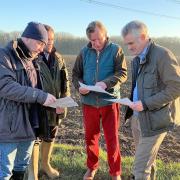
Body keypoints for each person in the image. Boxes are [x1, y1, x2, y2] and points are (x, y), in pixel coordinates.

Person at [121, 20, 180, 180]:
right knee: (147, 160)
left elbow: (176, 87)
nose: (129, 48)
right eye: (126, 44)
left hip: (156, 119)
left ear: (143, 36)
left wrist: (146, 104)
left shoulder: (163, 55)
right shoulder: (136, 59)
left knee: (139, 168)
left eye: (131, 43)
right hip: (137, 117)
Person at [0, 22, 57, 180]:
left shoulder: (33, 60)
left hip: (30, 126)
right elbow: (6, 87)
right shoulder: (4, 55)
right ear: (27, 38)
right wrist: (40, 96)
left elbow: (38, 87)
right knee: (4, 171)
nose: (41, 48)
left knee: (21, 168)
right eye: (40, 43)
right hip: (9, 127)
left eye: (44, 45)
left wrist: (52, 103)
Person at [72, 21, 127, 180]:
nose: (96, 43)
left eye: (99, 39)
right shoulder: (84, 52)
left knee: (112, 139)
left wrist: (106, 83)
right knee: (90, 138)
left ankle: (115, 172)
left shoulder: (116, 50)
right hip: (89, 103)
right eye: (92, 40)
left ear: (105, 34)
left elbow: (122, 73)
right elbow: (76, 74)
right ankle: (91, 168)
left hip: (109, 102)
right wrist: (79, 86)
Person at [27, 24, 70, 180]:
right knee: (35, 139)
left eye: (52, 39)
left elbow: (65, 82)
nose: (50, 43)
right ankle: (33, 172)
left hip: (55, 108)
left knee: (50, 136)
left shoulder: (59, 58)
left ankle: (45, 165)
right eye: (47, 40)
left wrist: (63, 104)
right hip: (38, 107)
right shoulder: (32, 58)